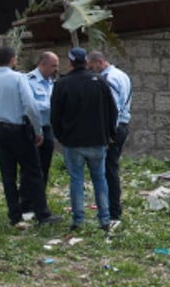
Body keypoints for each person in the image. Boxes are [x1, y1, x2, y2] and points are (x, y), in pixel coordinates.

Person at [0, 45, 58, 228]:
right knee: (33, 171)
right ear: (13, 59)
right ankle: (42, 214)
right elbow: (30, 105)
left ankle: (15, 216)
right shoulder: (19, 79)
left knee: (8, 175)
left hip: (0, 130)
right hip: (19, 129)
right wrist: (38, 130)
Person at [51, 47, 118, 232]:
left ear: (71, 62)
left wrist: (60, 136)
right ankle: (104, 219)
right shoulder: (100, 82)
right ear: (86, 62)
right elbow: (112, 111)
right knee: (100, 179)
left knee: (76, 180)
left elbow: (55, 115)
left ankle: (78, 219)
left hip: (73, 142)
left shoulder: (62, 84)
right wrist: (110, 135)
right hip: (97, 140)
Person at [87, 50, 131, 223]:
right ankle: (112, 208)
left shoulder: (109, 79)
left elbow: (113, 109)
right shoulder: (122, 75)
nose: (92, 71)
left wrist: (107, 135)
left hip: (114, 128)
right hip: (123, 125)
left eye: (92, 67)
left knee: (108, 171)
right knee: (111, 168)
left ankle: (113, 211)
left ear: (99, 62)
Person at [21, 50, 58, 215]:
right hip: (31, 128)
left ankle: (40, 202)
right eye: (53, 66)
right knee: (30, 167)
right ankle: (26, 203)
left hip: (47, 127)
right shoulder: (28, 80)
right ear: (42, 64)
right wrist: (52, 106)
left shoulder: (52, 82)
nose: (56, 69)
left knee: (45, 165)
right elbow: (31, 105)